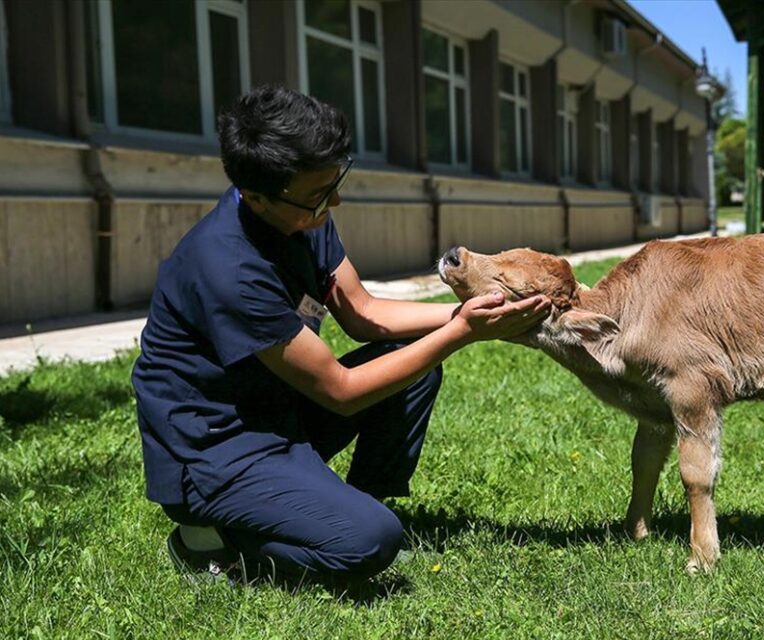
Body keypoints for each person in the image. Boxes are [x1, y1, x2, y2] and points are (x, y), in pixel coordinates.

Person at [131, 86, 550, 583]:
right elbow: (341, 393)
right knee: (372, 543)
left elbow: (364, 314)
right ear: (256, 196)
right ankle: (209, 544)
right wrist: (463, 332)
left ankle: (356, 504)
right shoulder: (231, 269)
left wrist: (475, 311)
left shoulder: (300, 215)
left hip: (275, 410)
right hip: (217, 449)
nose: (334, 200)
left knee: (412, 367)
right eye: (318, 195)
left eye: (335, 181)